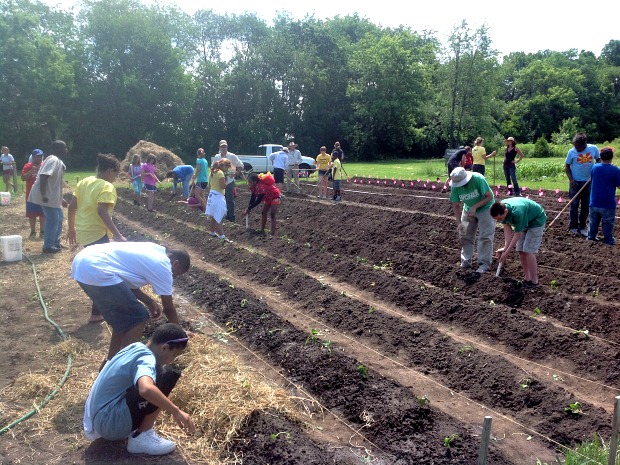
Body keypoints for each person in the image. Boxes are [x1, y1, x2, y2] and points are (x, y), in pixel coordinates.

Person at [83, 322, 195, 455]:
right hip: (111, 424)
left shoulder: (136, 346)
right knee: (168, 375)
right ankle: (141, 437)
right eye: (174, 355)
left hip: (98, 419)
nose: (172, 360)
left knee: (159, 371)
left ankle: (138, 432)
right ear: (164, 348)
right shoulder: (146, 359)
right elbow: (146, 389)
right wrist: (176, 411)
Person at [71, 241, 191, 363]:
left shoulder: (155, 250)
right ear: (175, 264)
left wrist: (149, 301)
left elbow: (124, 281)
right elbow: (169, 309)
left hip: (84, 261)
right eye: (177, 273)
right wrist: (180, 336)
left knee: (123, 320)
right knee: (138, 317)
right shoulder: (163, 265)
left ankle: (110, 363)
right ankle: (125, 365)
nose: (175, 277)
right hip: (95, 268)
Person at [67, 153, 127, 323]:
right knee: (101, 273)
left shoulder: (84, 182)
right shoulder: (107, 187)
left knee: (97, 270)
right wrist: (118, 235)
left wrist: (71, 229)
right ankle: (97, 313)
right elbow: (102, 212)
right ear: (109, 171)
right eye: (116, 174)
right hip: (98, 234)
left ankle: (98, 309)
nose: (115, 178)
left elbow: (72, 207)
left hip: (84, 233)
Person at [491, 198, 547, 287]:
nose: (499, 221)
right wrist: (505, 248)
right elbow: (507, 229)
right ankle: (527, 278)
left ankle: (534, 281)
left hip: (536, 220)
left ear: (505, 212)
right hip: (525, 220)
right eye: (496, 219)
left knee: (528, 250)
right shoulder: (500, 208)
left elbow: (517, 235)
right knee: (520, 250)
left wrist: (506, 253)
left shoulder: (517, 212)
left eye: (500, 218)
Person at [450, 167, 495, 273]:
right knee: (464, 234)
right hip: (467, 210)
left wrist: (475, 207)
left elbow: (489, 196)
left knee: (485, 237)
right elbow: (456, 205)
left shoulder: (478, 178)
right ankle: (465, 262)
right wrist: (459, 222)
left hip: (486, 208)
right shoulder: (455, 185)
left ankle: (484, 264)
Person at [28, 140, 69, 254]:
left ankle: (55, 242)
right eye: (64, 148)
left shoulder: (57, 161)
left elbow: (55, 183)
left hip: (53, 197)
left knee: (59, 218)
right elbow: (44, 176)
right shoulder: (53, 160)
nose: (66, 150)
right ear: (57, 150)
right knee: (52, 220)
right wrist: (43, 194)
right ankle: (48, 246)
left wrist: (61, 199)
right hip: (46, 196)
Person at [565, 132, 600, 236]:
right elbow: (567, 167)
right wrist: (571, 180)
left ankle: (582, 227)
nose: (577, 149)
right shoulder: (571, 152)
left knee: (586, 205)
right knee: (574, 205)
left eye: (579, 147)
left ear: (584, 144)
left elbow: (598, 160)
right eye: (575, 146)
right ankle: (573, 226)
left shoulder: (593, 149)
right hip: (575, 182)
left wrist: (594, 172)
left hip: (589, 182)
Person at [587, 146, 620, 245]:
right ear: (612, 157)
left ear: (600, 157)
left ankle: (591, 238)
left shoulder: (595, 168)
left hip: (594, 202)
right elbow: (619, 185)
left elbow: (593, 178)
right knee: (608, 223)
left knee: (593, 222)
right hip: (608, 203)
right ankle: (608, 240)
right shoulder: (615, 170)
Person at [212, 140, 243, 222]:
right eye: (222, 146)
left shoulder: (232, 156)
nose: (223, 148)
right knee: (222, 199)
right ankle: (223, 215)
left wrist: (236, 173)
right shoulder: (217, 157)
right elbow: (213, 167)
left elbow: (240, 165)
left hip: (229, 181)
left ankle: (231, 216)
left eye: (225, 146)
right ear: (219, 147)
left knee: (230, 199)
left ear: (227, 147)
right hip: (220, 181)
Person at [206, 158, 232, 241]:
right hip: (218, 197)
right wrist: (227, 180)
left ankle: (212, 232)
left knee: (214, 215)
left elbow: (209, 185)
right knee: (219, 216)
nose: (227, 169)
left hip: (211, 195)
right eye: (227, 167)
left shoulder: (212, 172)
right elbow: (223, 186)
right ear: (224, 166)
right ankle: (222, 236)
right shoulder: (220, 173)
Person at [21, 149, 45, 238]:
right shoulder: (27, 166)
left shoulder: (44, 165)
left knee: (43, 214)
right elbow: (23, 178)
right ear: (33, 156)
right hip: (30, 194)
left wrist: (40, 169)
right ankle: (33, 231)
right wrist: (31, 170)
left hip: (42, 193)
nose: (39, 158)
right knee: (32, 214)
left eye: (40, 156)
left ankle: (42, 231)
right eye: (37, 156)